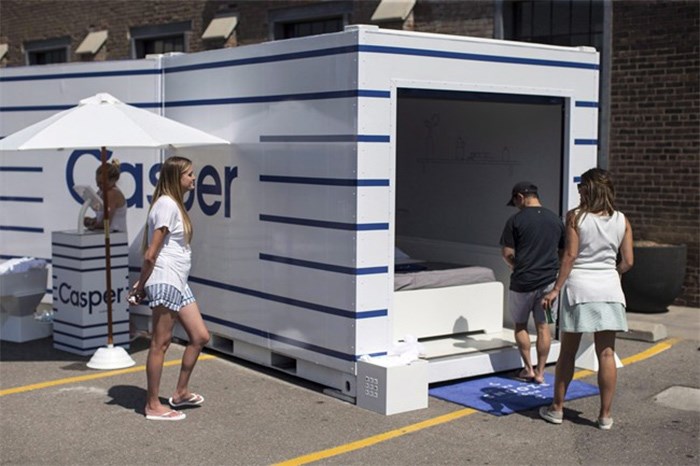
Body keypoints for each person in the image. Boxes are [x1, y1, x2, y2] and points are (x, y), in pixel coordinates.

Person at [539, 168, 633, 430]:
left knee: (568, 352)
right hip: (610, 290)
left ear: (588, 190)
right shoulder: (622, 220)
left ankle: (556, 409)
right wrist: (612, 273)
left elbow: (569, 256)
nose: (579, 191)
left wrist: (555, 289)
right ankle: (605, 416)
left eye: (582, 187)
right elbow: (627, 262)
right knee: (607, 353)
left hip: (579, 289)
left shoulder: (576, 218)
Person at [129, 156, 210, 421]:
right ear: (177, 178)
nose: (193, 179)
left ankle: (181, 392)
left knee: (199, 336)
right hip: (165, 278)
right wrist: (142, 284)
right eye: (189, 174)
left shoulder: (173, 204)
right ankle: (153, 405)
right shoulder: (166, 204)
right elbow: (151, 253)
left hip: (178, 280)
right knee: (160, 343)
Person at [500, 181, 565, 384]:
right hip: (548, 285)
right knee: (543, 327)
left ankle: (527, 368)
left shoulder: (515, 221)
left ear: (520, 197)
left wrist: (515, 266)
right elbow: (563, 252)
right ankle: (541, 372)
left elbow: (507, 253)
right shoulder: (555, 220)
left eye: (516, 201)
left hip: (522, 282)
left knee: (520, 325)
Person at [83, 159, 128, 232]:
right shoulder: (101, 191)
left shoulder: (112, 193)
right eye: (97, 182)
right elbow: (103, 218)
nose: (97, 185)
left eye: (101, 183)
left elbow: (106, 223)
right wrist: (93, 220)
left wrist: (92, 224)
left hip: (115, 239)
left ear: (112, 180)